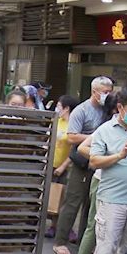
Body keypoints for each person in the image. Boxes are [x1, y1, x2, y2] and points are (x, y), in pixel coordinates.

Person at [52, 76, 113, 254]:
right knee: (73, 201)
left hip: (100, 162)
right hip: (81, 163)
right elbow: (71, 137)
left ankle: (83, 243)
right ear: (94, 91)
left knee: (91, 204)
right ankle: (60, 241)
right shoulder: (82, 110)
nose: (107, 95)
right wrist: (95, 136)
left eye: (110, 91)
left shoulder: (107, 110)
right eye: (104, 92)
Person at [87, 87, 127, 254]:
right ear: (120, 107)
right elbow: (94, 161)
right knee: (106, 245)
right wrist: (119, 155)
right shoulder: (105, 130)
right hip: (112, 199)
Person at [71, 93, 119, 254]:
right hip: (102, 181)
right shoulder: (106, 127)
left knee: (114, 229)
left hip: (121, 187)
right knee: (95, 223)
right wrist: (108, 158)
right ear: (120, 108)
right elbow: (82, 148)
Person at [45, 95, 79, 238]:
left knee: (65, 198)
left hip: (66, 167)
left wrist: (64, 166)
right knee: (53, 197)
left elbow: (74, 150)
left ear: (67, 108)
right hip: (51, 164)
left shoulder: (73, 125)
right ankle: (53, 226)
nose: (57, 108)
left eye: (59, 106)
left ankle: (66, 228)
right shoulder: (56, 121)